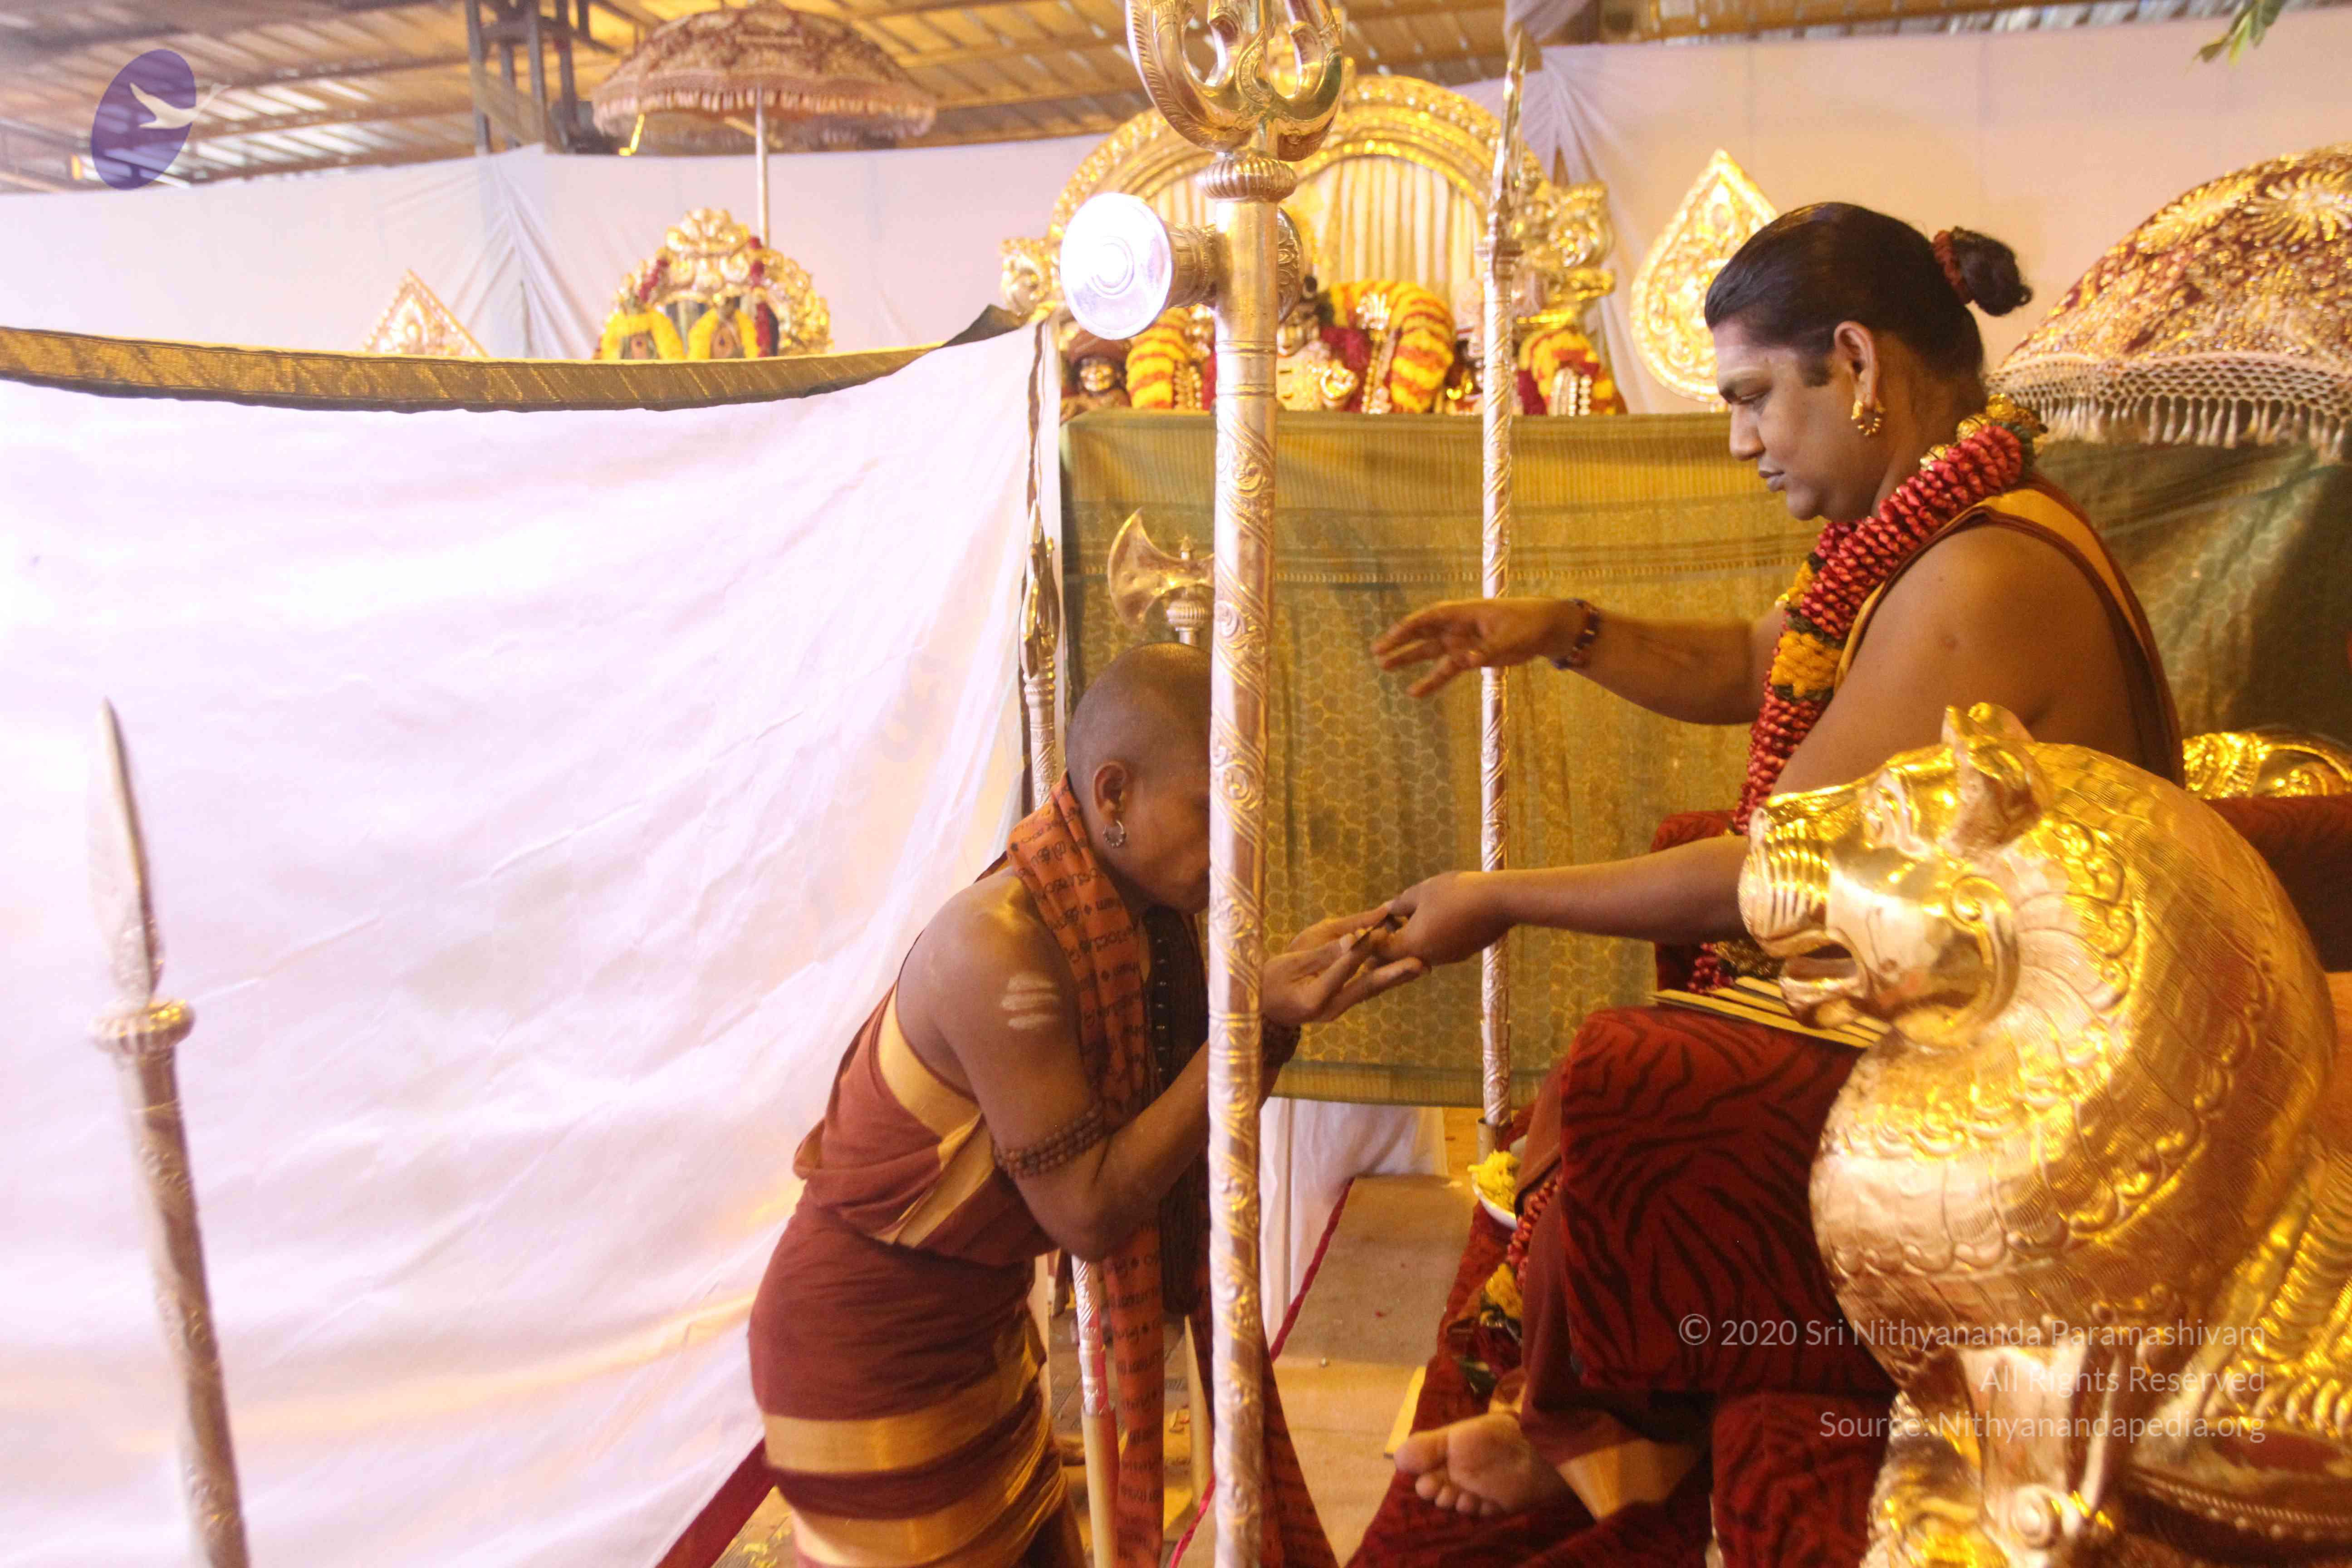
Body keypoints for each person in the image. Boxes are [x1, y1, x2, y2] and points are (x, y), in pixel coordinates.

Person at [1363, 206, 2182, 1562]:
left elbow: (1767, 869)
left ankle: (1598, 1426)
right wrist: (1560, 629)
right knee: (1608, 1089)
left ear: (1855, 363)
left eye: (1751, 396)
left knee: (1623, 1080)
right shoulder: (1931, 533)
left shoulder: (1979, 574)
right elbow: (1763, 664)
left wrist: (1498, 897)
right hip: (1967, 1011)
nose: (1740, 440)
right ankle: (1583, 1411)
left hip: (2041, 1099)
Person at [749, 641, 1423, 1568]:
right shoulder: (997, 949)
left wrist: (1257, 1017)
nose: (1242, 847)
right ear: (1113, 796)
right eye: (1214, 810)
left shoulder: (1147, 926)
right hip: (865, 1354)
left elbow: (1162, 1128)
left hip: (982, 1342)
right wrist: (1248, 1024)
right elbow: (1090, 1212)